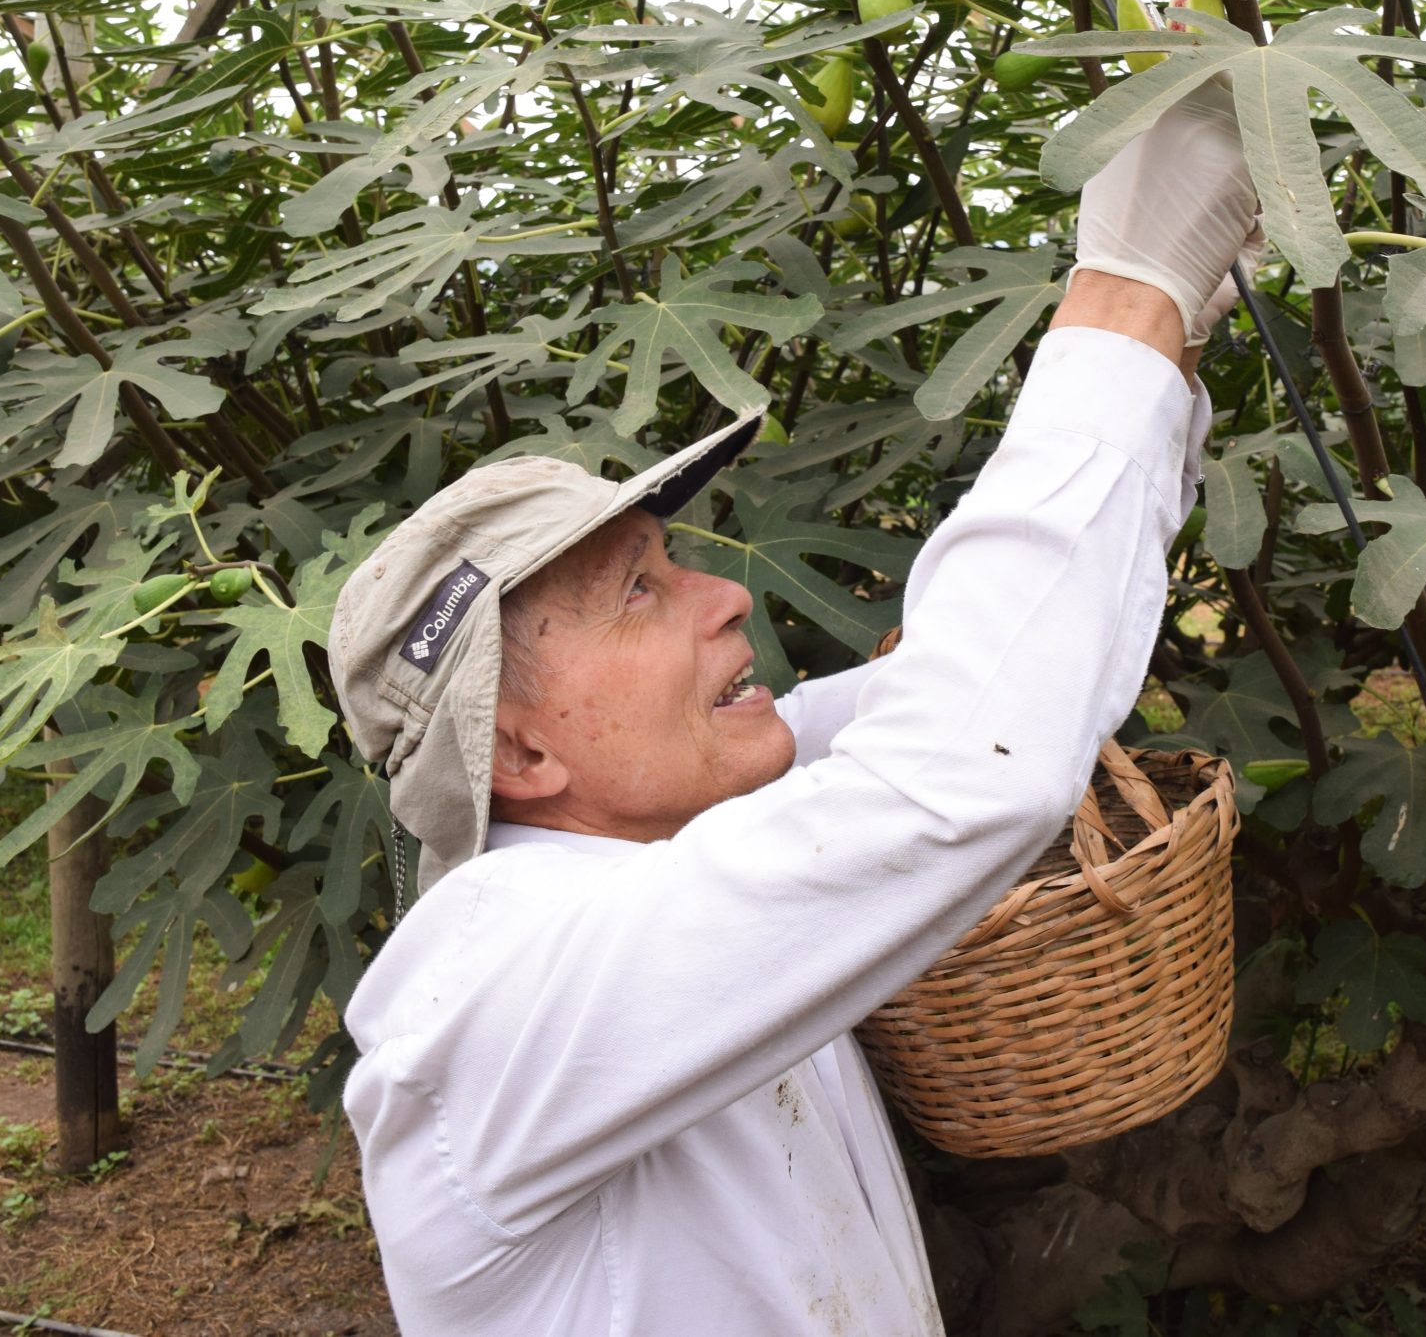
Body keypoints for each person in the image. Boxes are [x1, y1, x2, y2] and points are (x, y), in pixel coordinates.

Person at [325, 83, 1262, 1334]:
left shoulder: (679, 852)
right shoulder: (499, 986)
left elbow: (1009, 680)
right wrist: (1122, 291)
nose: (720, 595)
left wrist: (1166, 340)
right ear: (517, 745)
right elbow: (961, 770)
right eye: (638, 593)